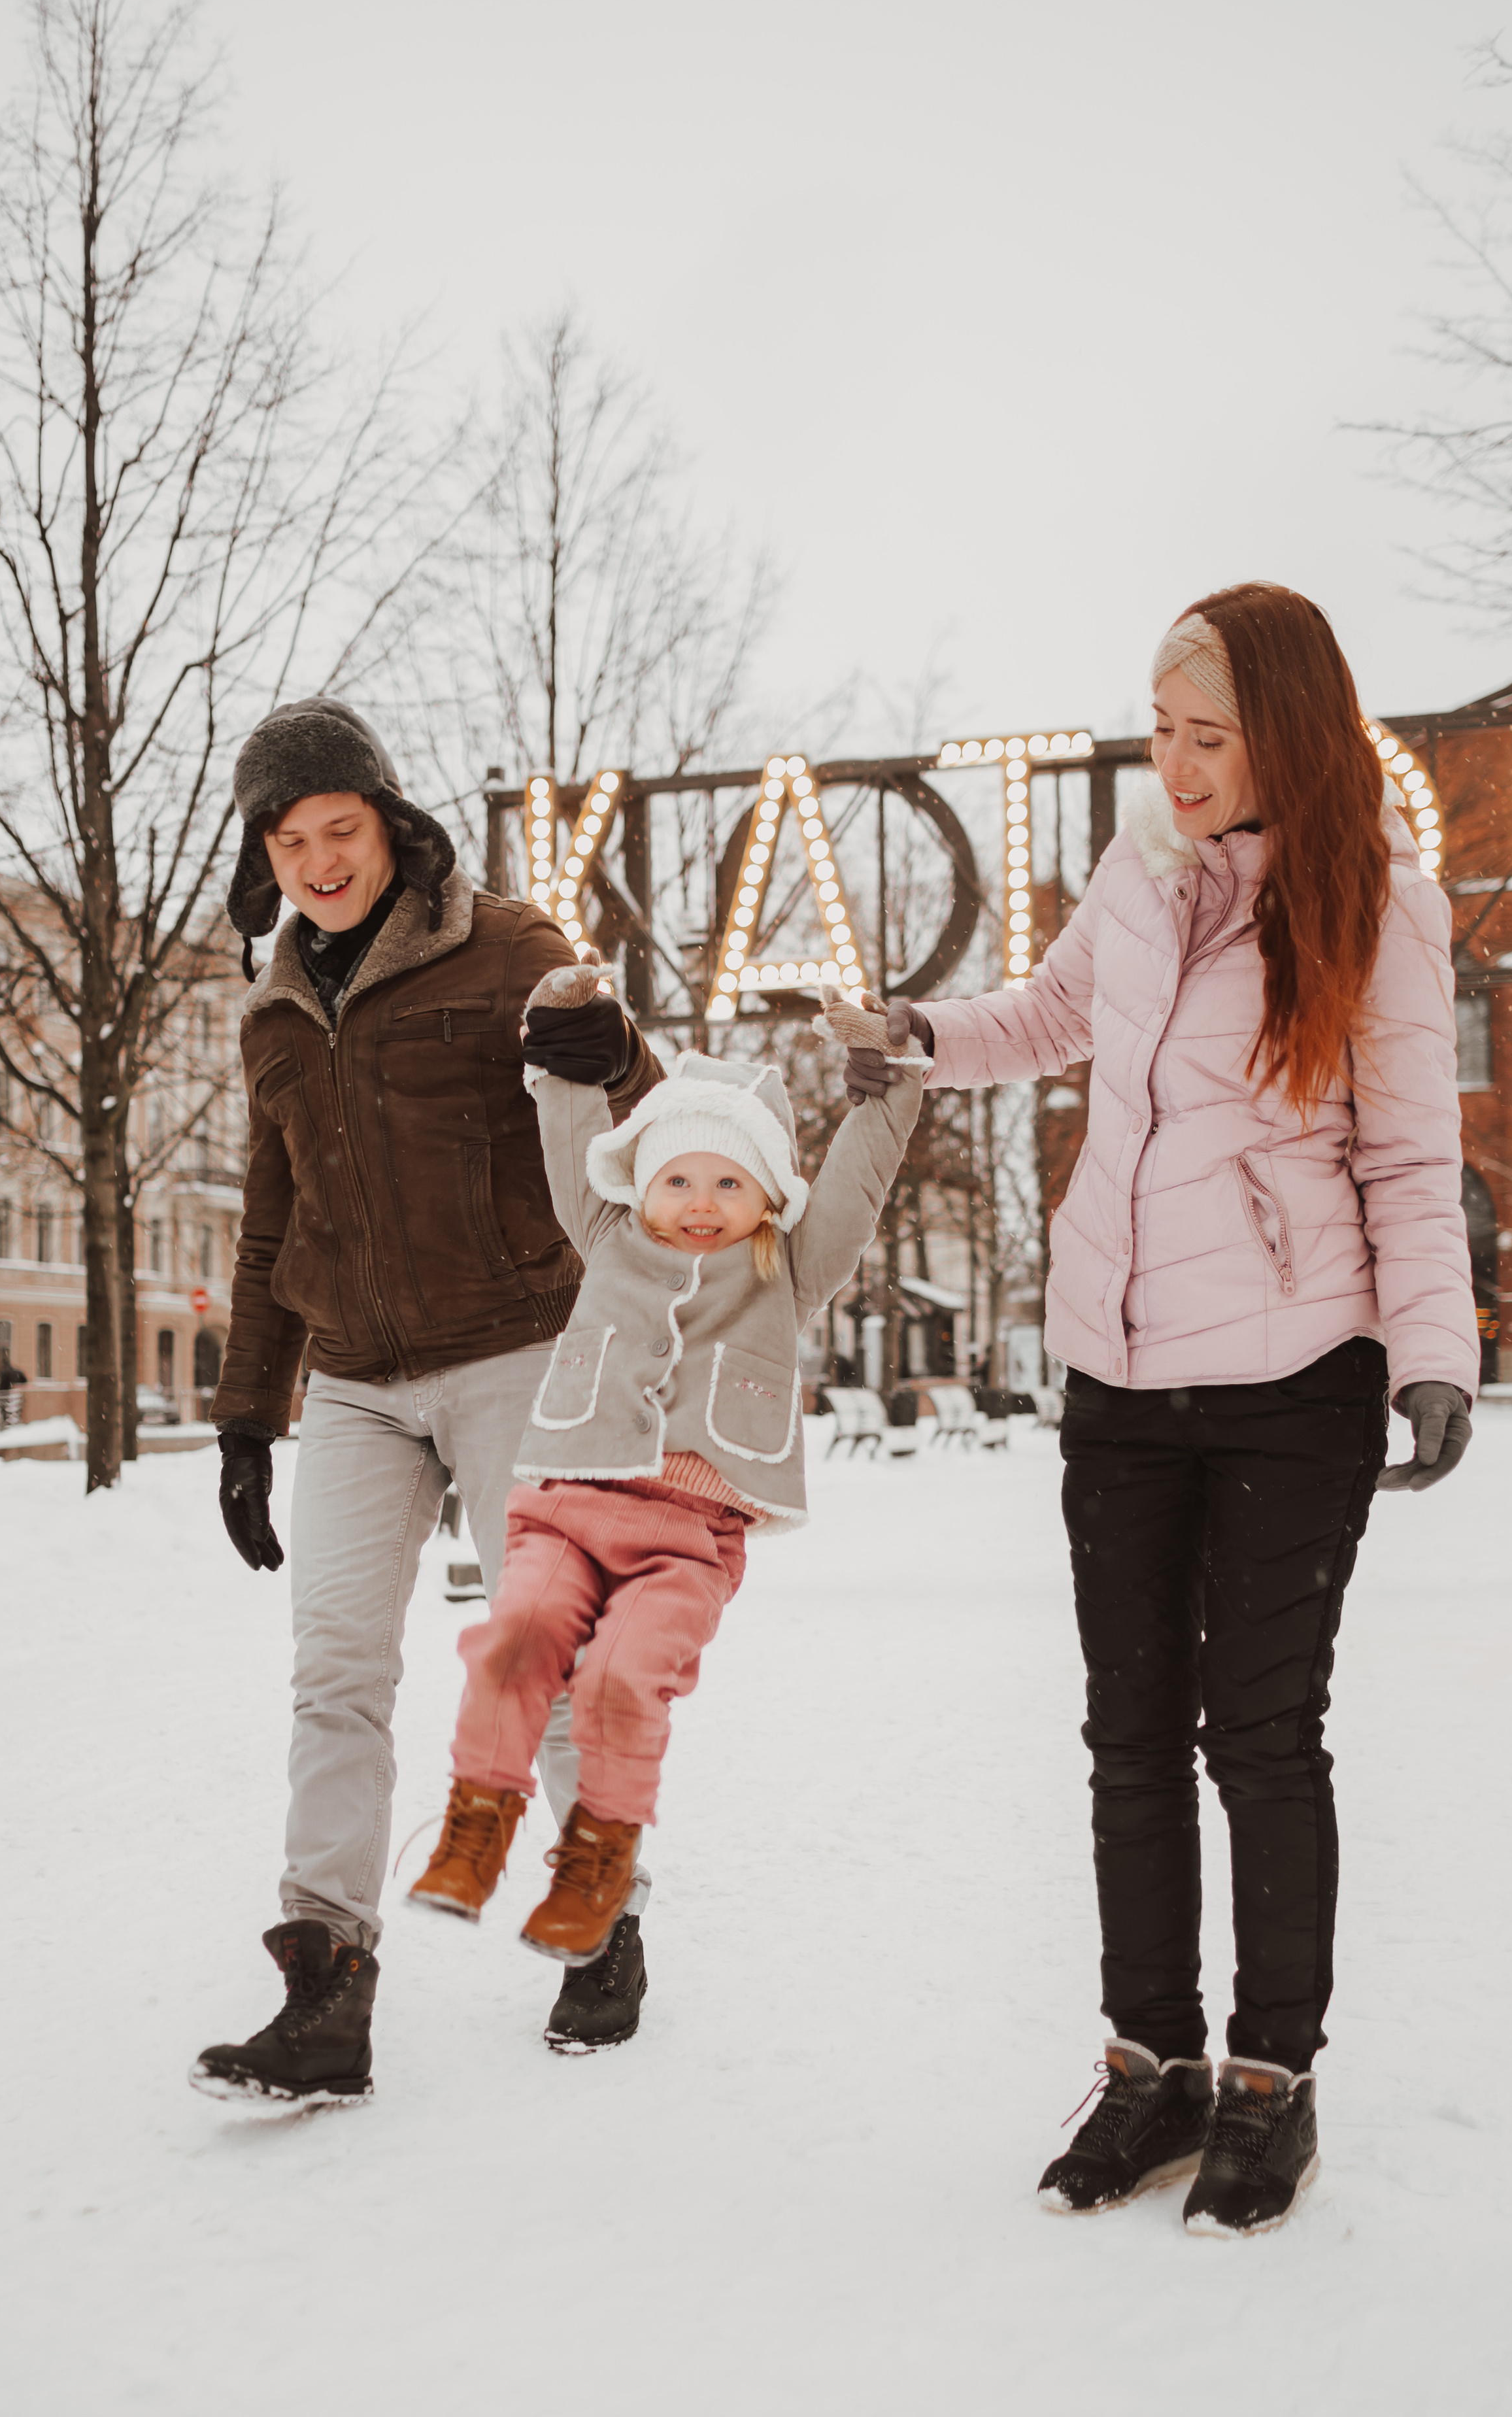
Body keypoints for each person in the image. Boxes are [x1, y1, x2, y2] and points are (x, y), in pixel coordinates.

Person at [848, 585, 1478, 2237]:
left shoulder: (1378, 908)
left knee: (1255, 1739)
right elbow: (1046, 1021)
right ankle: (1152, 2068)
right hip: (1116, 1374)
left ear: (1286, 733)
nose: (1176, 761)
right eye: (1160, 727)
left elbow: (1412, 1159)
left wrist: (1431, 1352)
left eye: (1208, 734)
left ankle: (1270, 2083)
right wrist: (918, 1035)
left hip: (1293, 1385)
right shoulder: (1132, 879)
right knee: (1126, 1742)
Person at [189, 698, 663, 2112]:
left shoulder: (506, 948)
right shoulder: (273, 1010)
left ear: (391, 825)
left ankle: (600, 1915)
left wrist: (618, 1061)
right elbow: (271, 1231)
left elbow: (640, 1139)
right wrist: (240, 1420)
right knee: (335, 1671)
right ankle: (325, 1982)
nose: (320, 860)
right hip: (347, 1381)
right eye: (291, 840)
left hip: (515, 1347)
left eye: (341, 829)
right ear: (264, 857)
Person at [407, 970, 925, 1969]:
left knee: (618, 1680)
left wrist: (887, 1078)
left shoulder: (789, 1267)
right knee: (513, 1644)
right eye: (678, 1180)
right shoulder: (605, 1238)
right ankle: (476, 1829)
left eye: (730, 1183)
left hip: (687, 1542)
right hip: (567, 1511)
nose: (700, 1204)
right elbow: (566, 1126)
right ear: (641, 1185)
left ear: (768, 1195)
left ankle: (598, 1863)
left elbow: (859, 1180)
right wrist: (558, 1030)